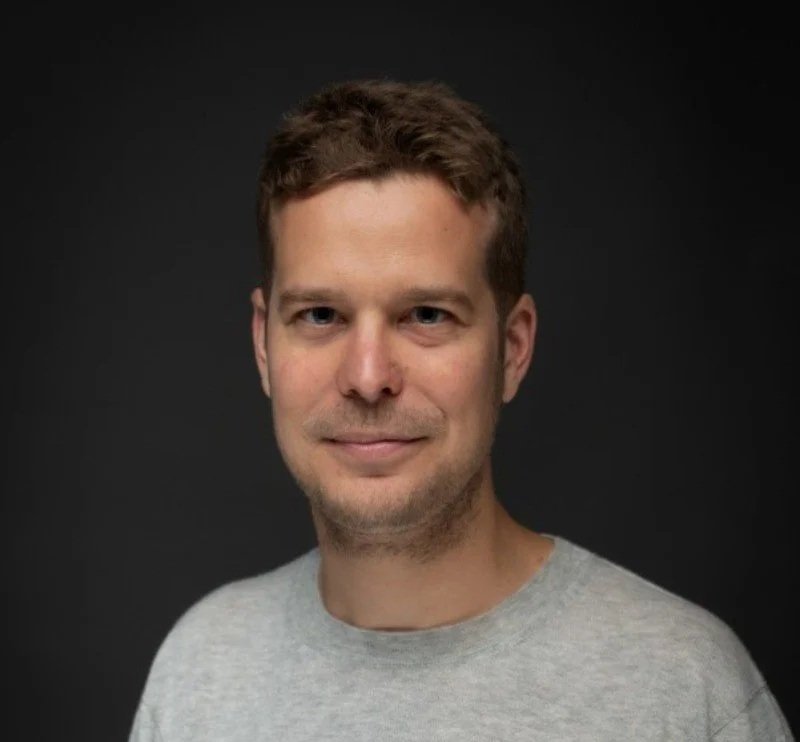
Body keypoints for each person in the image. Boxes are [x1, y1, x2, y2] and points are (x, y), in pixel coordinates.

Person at [129, 79, 792, 741]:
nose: (368, 378)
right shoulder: (200, 670)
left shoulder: (683, 688)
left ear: (513, 349)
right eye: (321, 315)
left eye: (426, 315)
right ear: (263, 345)